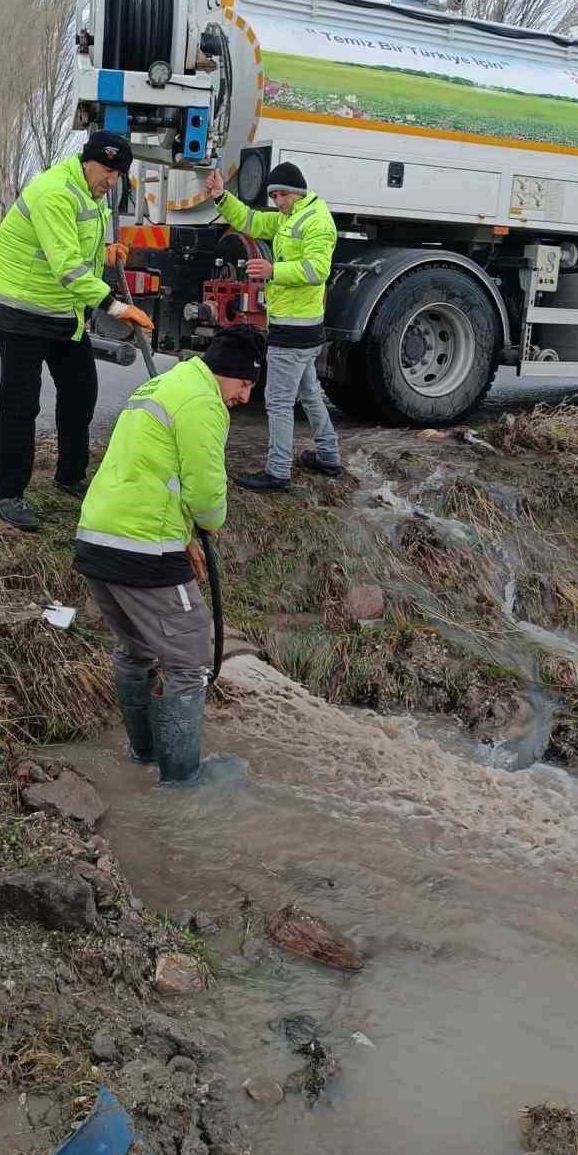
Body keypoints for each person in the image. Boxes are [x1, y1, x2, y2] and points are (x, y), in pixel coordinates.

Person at [75, 324, 266, 784]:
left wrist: (183, 535)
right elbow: (204, 489)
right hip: (144, 549)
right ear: (228, 374)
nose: (244, 397)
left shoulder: (162, 384)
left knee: (136, 649)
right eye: (244, 385)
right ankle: (182, 779)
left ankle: (143, 756)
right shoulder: (203, 402)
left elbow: (150, 471)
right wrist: (210, 523)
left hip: (98, 535)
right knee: (190, 658)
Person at [0, 131, 152, 532]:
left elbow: (81, 249)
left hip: (62, 309)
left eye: (119, 173)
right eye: (108, 170)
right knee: (21, 402)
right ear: (87, 161)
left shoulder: (92, 193)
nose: (112, 180)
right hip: (19, 307)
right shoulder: (54, 192)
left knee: (80, 391)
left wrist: (106, 254)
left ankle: (71, 477)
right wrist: (116, 306)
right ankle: (8, 491)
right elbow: (68, 267)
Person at [205, 161, 342, 490]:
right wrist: (222, 196)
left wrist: (272, 271)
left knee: (279, 402)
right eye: (274, 196)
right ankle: (328, 455)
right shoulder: (290, 217)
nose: (277, 202)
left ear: (296, 192)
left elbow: (317, 270)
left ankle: (278, 471)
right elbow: (250, 220)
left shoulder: (316, 221)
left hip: (294, 331)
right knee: (310, 394)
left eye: (281, 195)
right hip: (301, 329)